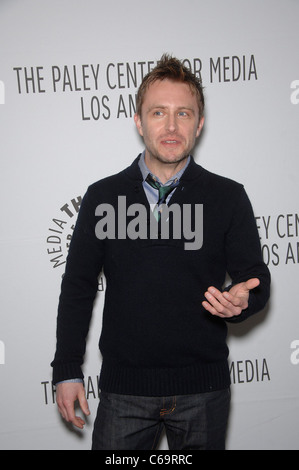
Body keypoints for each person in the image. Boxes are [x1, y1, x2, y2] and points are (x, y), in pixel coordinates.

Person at [51, 54, 270, 450]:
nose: (171, 126)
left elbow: (255, 279)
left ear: (199, 124)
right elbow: (78, 287)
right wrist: (67, 370)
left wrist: (246, 299)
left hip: (203, 392)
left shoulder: (227, 197)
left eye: (183, 113)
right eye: (158, 113)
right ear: (139, 122)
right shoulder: (104, 197)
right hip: (124, 393)